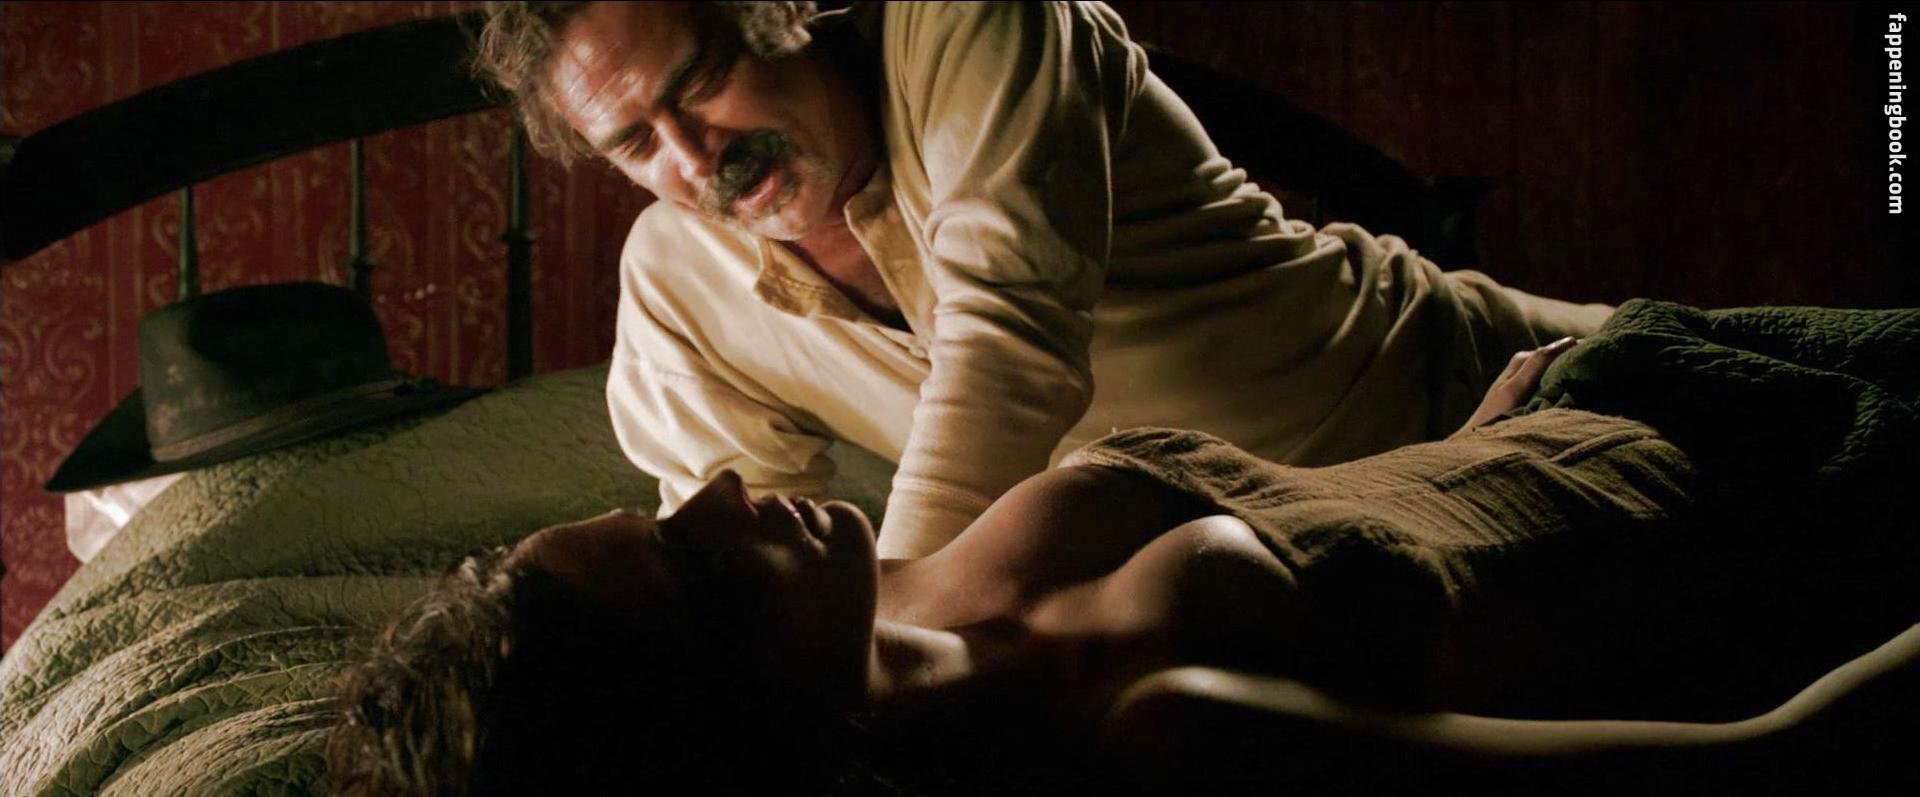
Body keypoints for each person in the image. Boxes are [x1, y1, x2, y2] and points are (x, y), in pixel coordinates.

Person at [325, 338, 1920, 795]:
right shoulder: (1153, 735)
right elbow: (1769, 760)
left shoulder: (898, 588)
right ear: (731, 731)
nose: (727, 491)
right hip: (1831, 528)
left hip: (1652, 376)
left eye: (664, 509)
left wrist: (1466, 454)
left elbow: (1321, 517)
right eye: (698, 572)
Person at [472, 1, 1615, 558]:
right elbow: (745, 550)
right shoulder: (676, 278)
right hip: (1306, 562)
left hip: (1491, 393)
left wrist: (885, 643)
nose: (693, 157)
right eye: (637, 142)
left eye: (701, 82)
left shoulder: (963, 21)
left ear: (781, 14)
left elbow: (1009, 349)